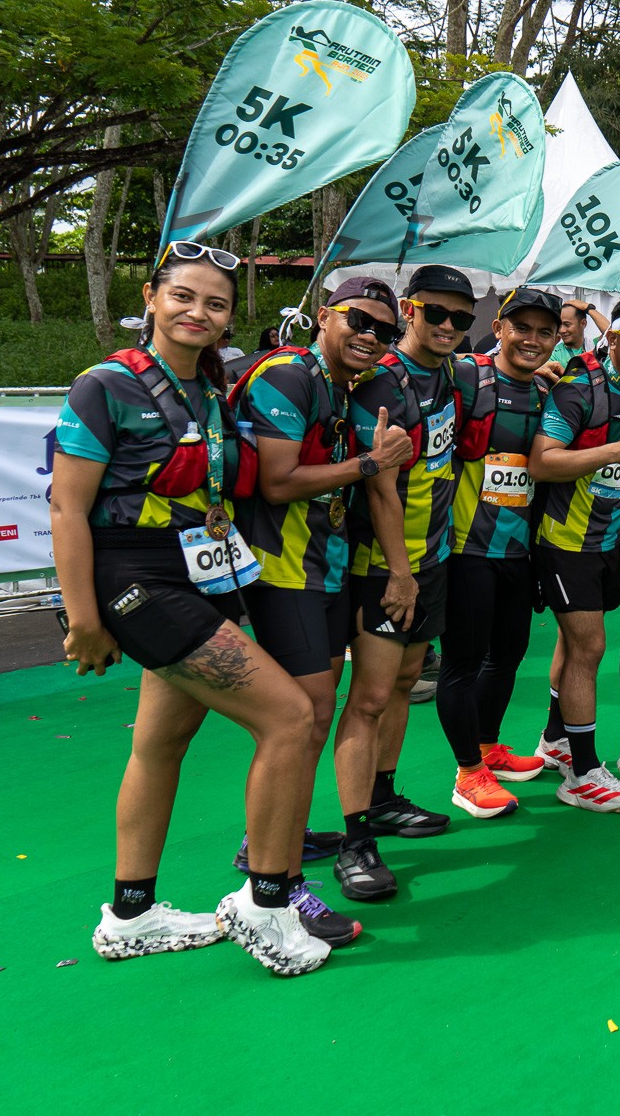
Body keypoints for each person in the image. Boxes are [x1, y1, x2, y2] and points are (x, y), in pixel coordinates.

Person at [60, 242, 328, 976]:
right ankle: (265, 904)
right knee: (290, 718)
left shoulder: (210, 391)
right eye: (183, 296)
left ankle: (131, 915)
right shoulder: (104, 385)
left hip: (201, 577)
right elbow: (67, 510)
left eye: (215, 304)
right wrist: (84, 619)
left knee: (159, 745)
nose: (197, 313)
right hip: (139, 581)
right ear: (150, 297)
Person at [231, 275, 411, 947]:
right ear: (323, 315)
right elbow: (278, 483)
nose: (370, 336)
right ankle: (275, 889)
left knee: (308, 722)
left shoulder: (341, 388)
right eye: (358, 321)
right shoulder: (288, 374)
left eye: (384, 331)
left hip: (323, 570)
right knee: (299, 724)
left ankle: (269, 852)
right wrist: (370, 464)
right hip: (281, 573)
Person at [332, 263, 477, 902]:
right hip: (383, 564)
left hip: (432, 556)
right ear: (410, 311)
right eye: (435, 313)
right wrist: (398, 572)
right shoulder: (381, 383)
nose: (447, 326)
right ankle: (354, 839)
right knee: (368, 696)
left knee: (403, 680)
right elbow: (378, 485)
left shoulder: (450, 374)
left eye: (460, 318)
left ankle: (383, 797)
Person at [529, 296, 620, 811]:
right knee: (588, 648)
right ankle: (583, 772)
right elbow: (542, 462)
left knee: (573, 645)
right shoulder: (577, 388)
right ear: (612, 339)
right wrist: (613, 451)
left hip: (609, 536)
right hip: (566, 541)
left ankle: (555, 739)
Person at [433, 287, 560, 819]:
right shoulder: (465, 377)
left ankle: (487, 748)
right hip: (466, 548)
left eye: (545, 332)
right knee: (462, 663)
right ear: (499, 328)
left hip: (518, 551)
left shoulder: (549, 392)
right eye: (522, 328)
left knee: (507, 654)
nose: (533, 340)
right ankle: (467, 774)